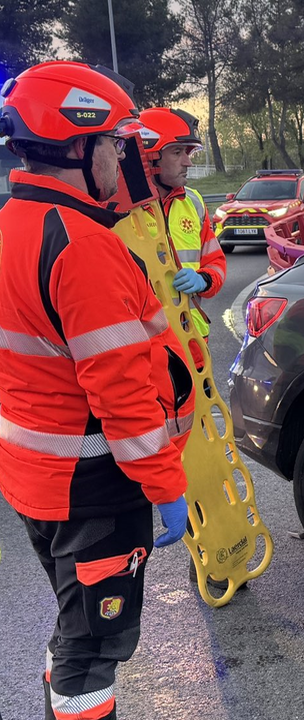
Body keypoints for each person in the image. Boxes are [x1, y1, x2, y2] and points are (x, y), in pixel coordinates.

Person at [0, 61, 194, 720]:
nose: (120, 159)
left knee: (73, 623)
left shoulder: (11, 226)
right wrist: (167, 486)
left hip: (39, 480)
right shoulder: (80, 246)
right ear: (79, 145)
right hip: (95, 488)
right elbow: (123, 396)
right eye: (113, 144)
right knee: (93, 650)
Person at [134, 107, 226, 338]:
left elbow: (215, 262)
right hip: (147, 339)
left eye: (189, 153)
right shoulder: (121, 211)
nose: (188, 163)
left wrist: (203, 280)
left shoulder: (193, 202)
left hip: (191, 336)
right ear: (149, 156)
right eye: (177, 152)